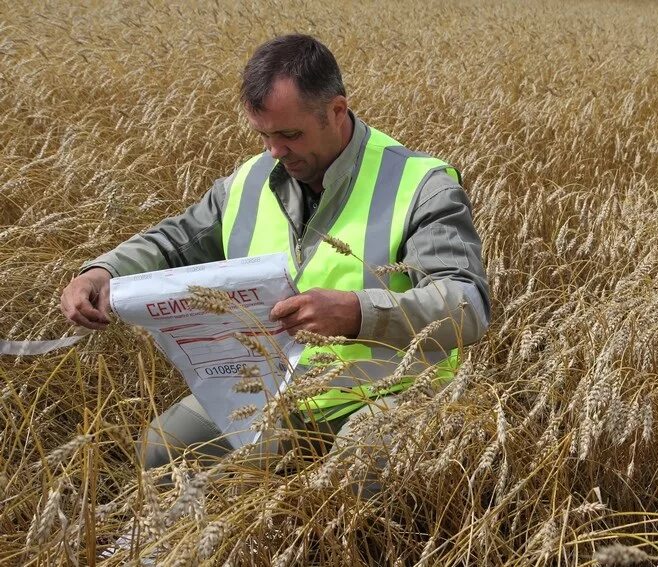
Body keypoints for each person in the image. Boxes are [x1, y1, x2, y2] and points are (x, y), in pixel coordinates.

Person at [59, 34, 490, 488]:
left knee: (356, 477)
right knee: (164, 448)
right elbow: (176, 239)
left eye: (289, 134)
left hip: (391, 388)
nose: (274, 152)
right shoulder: (249, 180)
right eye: (263, 135)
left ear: (337, 111)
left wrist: (356, 311)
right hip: (270, 386)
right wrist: (103, 270)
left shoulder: (422, 184)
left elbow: (467, 306)